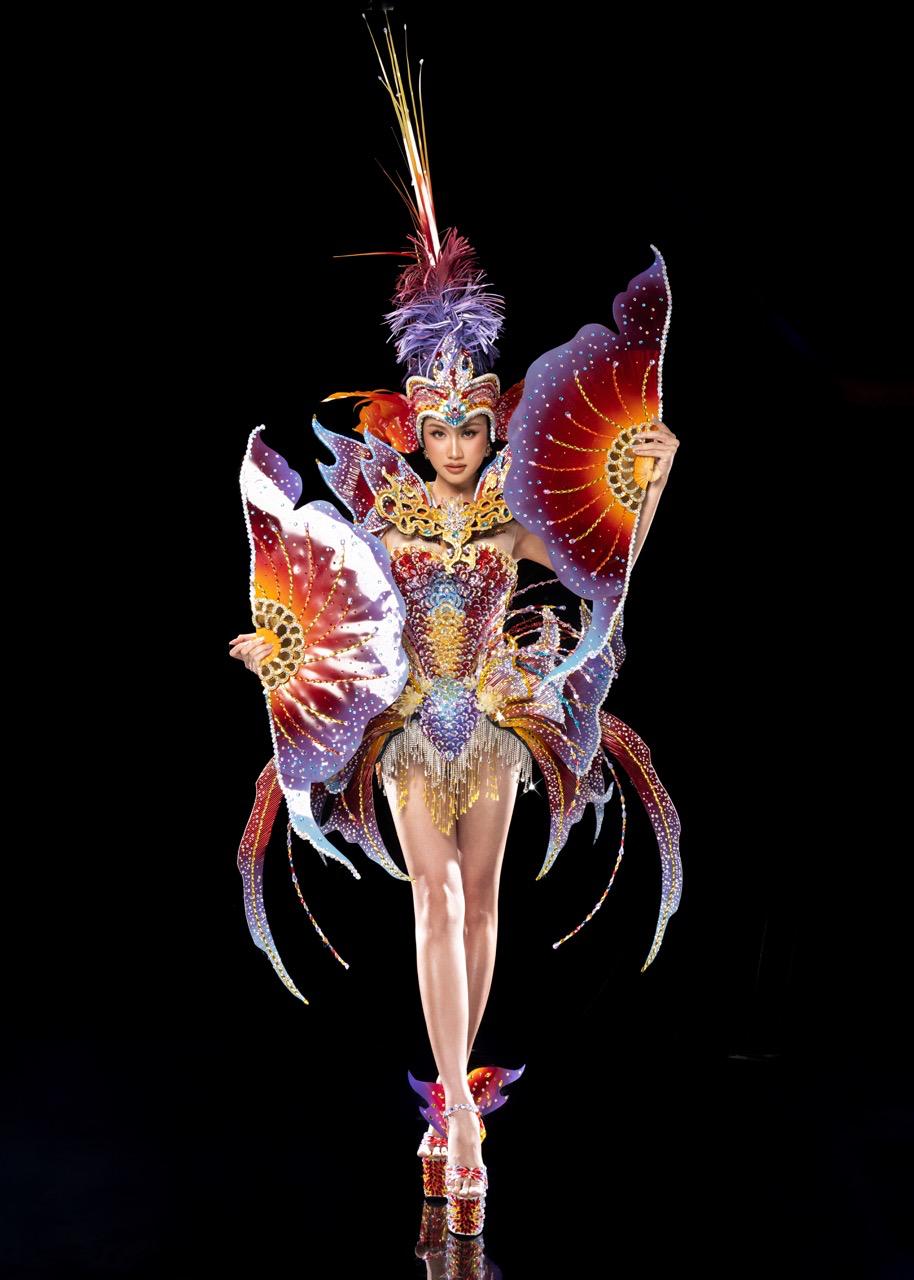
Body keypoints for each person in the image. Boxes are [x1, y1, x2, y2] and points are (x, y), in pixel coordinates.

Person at [228, 17, 682, 1239]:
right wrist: (274, 647)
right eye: (436, 426)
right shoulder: (378, 509)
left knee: (479, 906)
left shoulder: (510, 521)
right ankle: (468, 1129)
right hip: (401, 730)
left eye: (472, 425)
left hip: (490, 724)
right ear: (414, 423)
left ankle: (446, 1105)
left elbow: (606, 553)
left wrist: (648, 473)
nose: (454, 441)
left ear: (489, 421)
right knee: (429, 897)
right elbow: (317, 585)